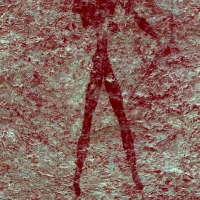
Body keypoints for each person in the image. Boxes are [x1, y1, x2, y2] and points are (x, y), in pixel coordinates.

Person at [72, 0, 158, 197]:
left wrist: (155, 36)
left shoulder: (112, 6)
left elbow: (137, 18)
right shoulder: (90, 7)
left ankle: (133, 174)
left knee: (117, 121)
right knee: (92, 124)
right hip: (98, 67)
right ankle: (77, 179)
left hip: (104, 66)